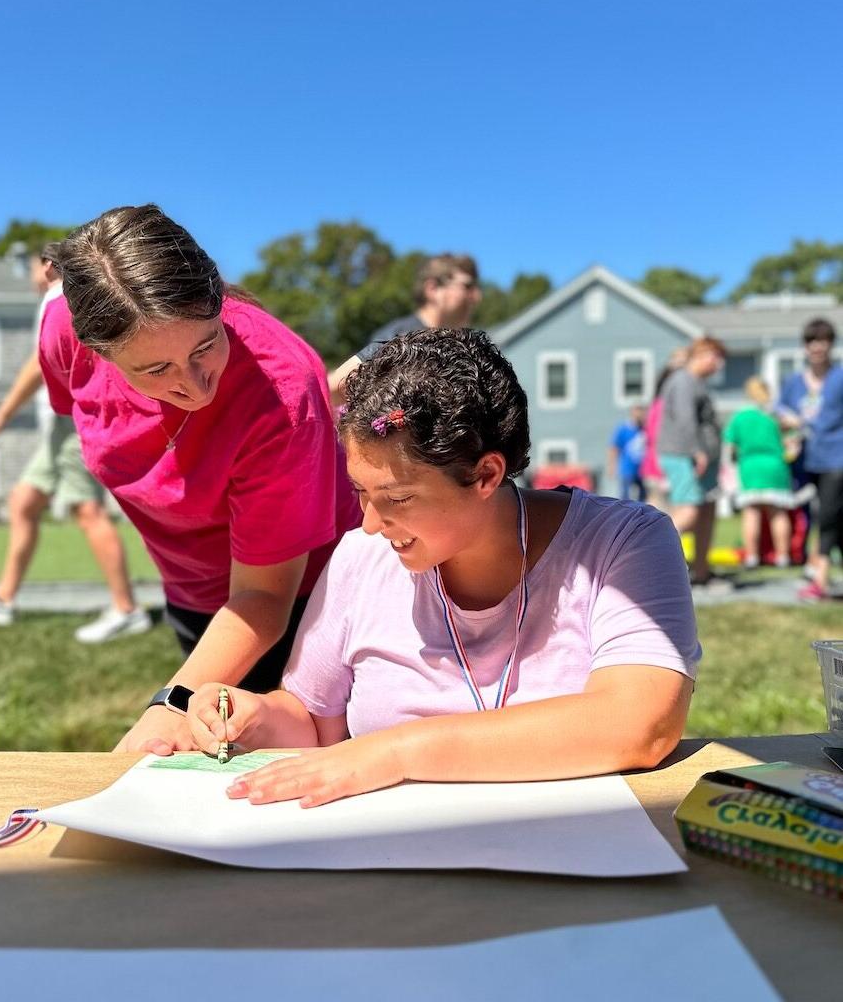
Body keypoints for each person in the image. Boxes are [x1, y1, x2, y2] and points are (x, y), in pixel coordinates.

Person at [183, 329, 700, 808]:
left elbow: (640, 723)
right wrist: (254, 716)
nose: (369, 524)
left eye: (398, 498)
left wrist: (395, 753)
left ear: (485, 474)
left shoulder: (623, 542)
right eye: (361, 493)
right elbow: (313, 725)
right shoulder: (361, 558)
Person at [43, 205, 360, 752]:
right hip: (192, 593)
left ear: (219, 301)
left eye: (206, 345)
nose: (195, 386)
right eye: (155, 370)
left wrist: (172, 703)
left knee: (288, 773)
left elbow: (263, 594)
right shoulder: (62, 337)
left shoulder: (282, 396)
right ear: (96, 350)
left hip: (303, 600)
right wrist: (183, 695)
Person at [0, 244, 151, 644]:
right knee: (24, 501)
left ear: (47, 267)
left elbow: (36, 366)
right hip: (61, 426)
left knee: (86, 510)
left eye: (30, 266)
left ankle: (126, 609)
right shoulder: (75, 298)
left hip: (72, 421)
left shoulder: (58, 298)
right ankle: (3, 599)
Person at [327, 254, 482, 406]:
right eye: (467, 286)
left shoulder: (461, 346)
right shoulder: (401, 336)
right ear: (433, 289)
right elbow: (333, 389)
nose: (476, 297)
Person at [778, 317, 843, 601]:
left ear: (831, 344)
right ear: (805, 347)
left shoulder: (840, 377)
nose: (817, 346)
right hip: (806, 460)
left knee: (827, 516)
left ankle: (820, 580)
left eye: (823, 340)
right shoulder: (794, 382)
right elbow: (780, 409)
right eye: (812, 341)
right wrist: (787, 422)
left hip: (837, 457)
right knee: (830, 517)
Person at [657, 337, 727, 585]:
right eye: (717, 357)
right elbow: (685, 420)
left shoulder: (696, 383)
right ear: (702, 353)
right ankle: (645, 554)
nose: (719, 364)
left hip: (701, 457)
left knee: (707, 510)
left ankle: (702, 572)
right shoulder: (683, 381)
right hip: (684, 454)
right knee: (690, 511)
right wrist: (696, 451)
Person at [723, 377, 794, 569]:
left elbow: (730, 445)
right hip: (775, 464)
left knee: (751, 512)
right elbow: (792, 437)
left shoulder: (740, 416)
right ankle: (783, 556)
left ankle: (752, 556)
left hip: (750, 465)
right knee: (777, 512)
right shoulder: (774, 415)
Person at [639, 347, 689, 511]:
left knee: (660, 510)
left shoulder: (656, 406)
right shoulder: (663, 407)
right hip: (663, 466)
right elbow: (654, 437)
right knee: (670, 511)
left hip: (655, 465)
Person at [607, 405, 647, 501]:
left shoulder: (644, 429)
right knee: (625, 497)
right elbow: (614, 448)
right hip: (627, 469)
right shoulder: (624, 428)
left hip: (642, 469)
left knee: (643, 496)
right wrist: (612, 466)